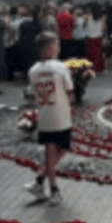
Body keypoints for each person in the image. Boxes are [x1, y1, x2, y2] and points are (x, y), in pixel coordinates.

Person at [24, 32, 72, 207]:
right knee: (63, 149)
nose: (59, 49)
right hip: (61, 116)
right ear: (51, 48)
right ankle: (53, 189)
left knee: (50, 153)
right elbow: (69, 90)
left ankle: (39, 181)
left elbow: (32, 93)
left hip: (44, 116)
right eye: (57, 45)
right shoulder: (60, 67)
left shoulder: (33, 70)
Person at [84, 8, 107, 73]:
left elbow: (85, 27)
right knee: (98, 55)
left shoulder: (88, 18)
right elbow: (103, 29)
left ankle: (90, 69)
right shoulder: (100, 19)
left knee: (90, 55)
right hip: (98, 38)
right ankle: (98, 69)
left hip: (89, 38)